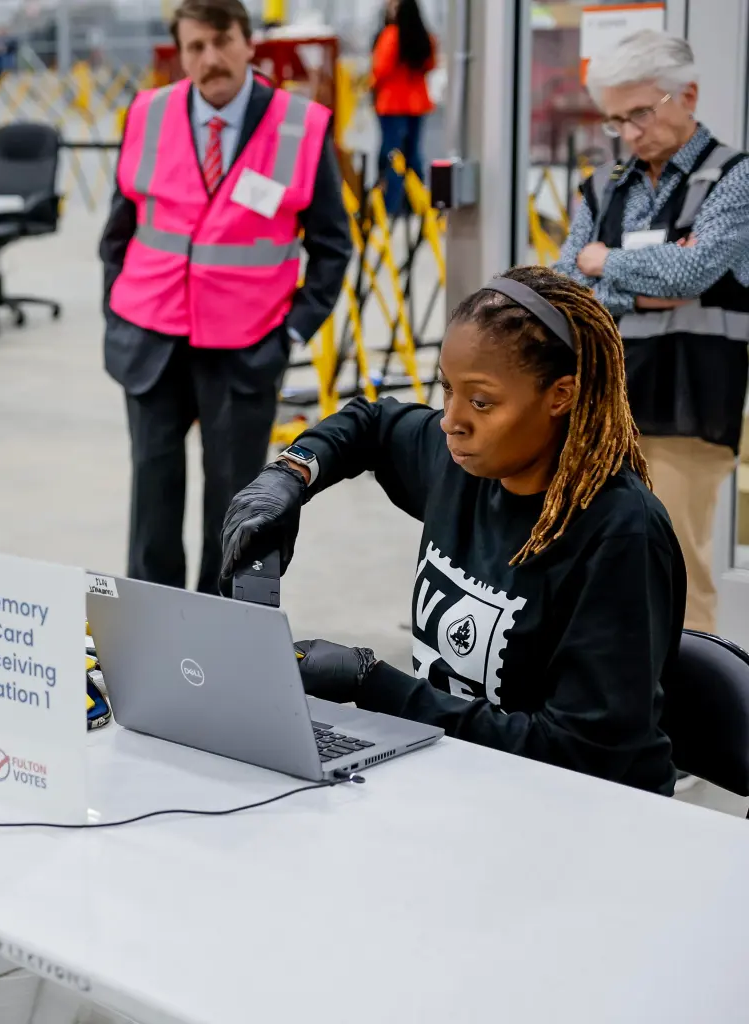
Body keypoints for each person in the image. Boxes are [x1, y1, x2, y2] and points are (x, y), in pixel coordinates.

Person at [219, 266, 684, 795]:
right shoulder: (463, 464)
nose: (451, 420)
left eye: (482, 402)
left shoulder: (619, 535)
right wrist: (291, 474)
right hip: (460, 777)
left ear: (561, 395)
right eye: (447, 389)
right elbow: (371, 425)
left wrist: (371, 683)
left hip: (579, 815)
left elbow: (581, 755)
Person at [99, 0, 352, 595]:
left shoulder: (299, 125)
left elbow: (332, 247)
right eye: (195, 47)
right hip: (151, 336)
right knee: (152, 505)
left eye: (221, 41)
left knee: (237, 508)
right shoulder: (148, 114)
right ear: (180, 53)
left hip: (246, 344)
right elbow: (118, 232)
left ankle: (219, 642)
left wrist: (292, 332)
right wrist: (118, 313)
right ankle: (151, 628)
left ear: (247, 42)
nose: (210, 59)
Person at [554, 30, 749, 635]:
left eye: (640, 113)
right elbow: (566, 282)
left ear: (686, 94)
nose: (631, 134)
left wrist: (602, 261)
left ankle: (703, 719)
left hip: (689, 403)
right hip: (603, 402)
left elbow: (695, 271)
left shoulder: (733, 178)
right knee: (594, 566)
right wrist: (644, 286)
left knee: (678, 572)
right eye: (617, 121)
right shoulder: (606, 183)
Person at [371, 0, 436, 217]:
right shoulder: (424, 37)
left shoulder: (390, 36)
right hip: (418, 104)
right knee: (414, 154)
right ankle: (416, 205)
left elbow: (380, 70)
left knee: (392, 156)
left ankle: (393, 207)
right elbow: (430, 65)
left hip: (392, 105)